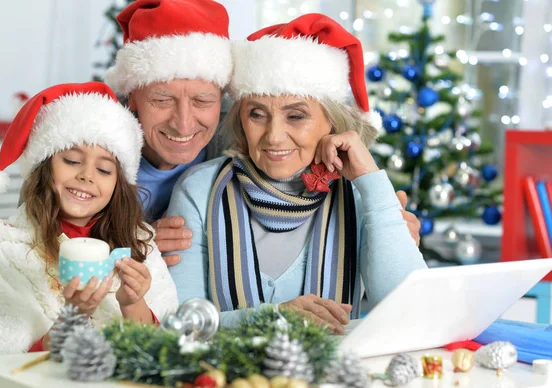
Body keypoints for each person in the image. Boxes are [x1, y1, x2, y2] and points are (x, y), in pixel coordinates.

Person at [105, 0, 421, 266]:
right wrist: (120, 251)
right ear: (131, 96)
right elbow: (57, 257)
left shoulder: (248, 138)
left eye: (203, 100)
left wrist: (389, 226)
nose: (184, 123)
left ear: (223, 97)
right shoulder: (95, 148)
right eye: (162, 100)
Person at [166, 14, 428, 333]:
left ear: (331, 121)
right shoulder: (199, 190)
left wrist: (372, 181)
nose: (274, 136)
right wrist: (275, 320)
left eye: (296, 116)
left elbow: (409, 313)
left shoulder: (362, 196)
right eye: (257, 114)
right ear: (241, 120)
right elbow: (181, 323)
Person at [0, 83, 178, 356]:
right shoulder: (6, 254)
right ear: (45, 167)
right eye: (71, 160)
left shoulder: (141, 247)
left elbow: (167, 356)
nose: (87, 176)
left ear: (119, 183)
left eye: (104, 169)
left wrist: (133, 303)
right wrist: (73, 317)